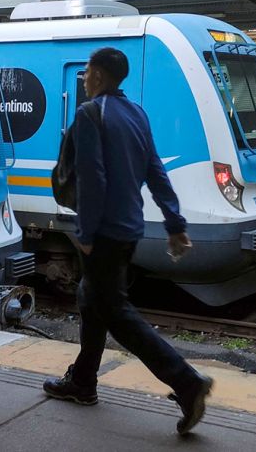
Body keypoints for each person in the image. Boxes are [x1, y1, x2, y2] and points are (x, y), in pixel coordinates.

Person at [43, 47, 213, 435]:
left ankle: (186, 382)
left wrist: (85, 233)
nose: (84, 78)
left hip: (102, 232)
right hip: (129, 227)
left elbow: (92, 179)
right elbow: (155, 170)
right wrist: (174, 223)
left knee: (115, 311)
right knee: (92, 299)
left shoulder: (89, 114)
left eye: (87, 72)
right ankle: (83, 382)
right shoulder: (137, 113)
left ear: (99, 77)